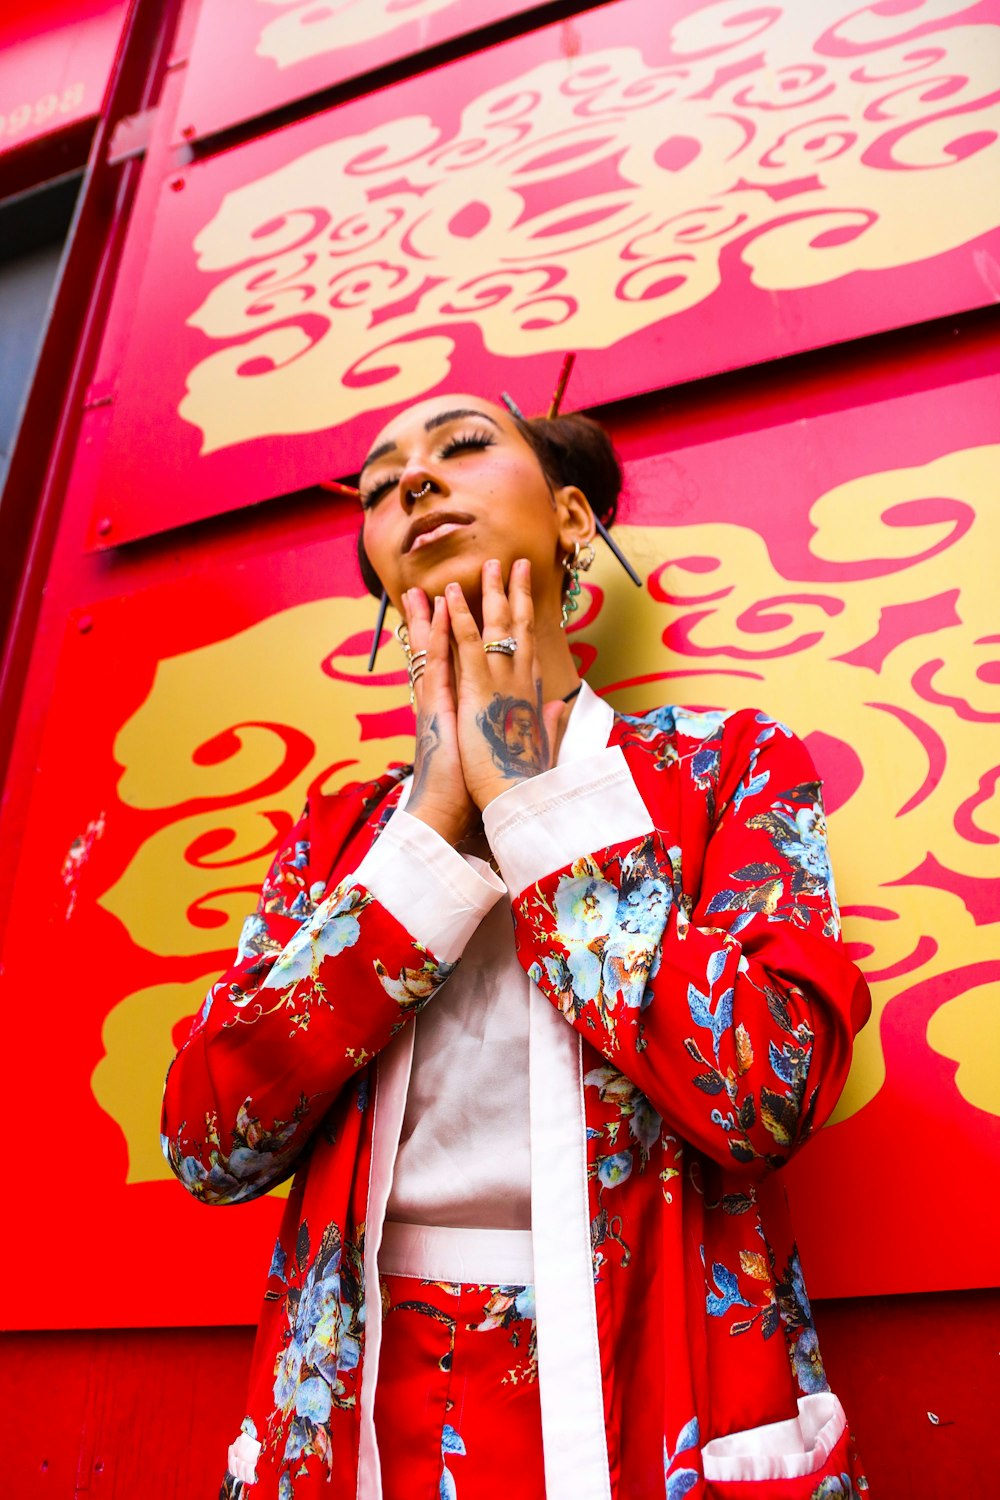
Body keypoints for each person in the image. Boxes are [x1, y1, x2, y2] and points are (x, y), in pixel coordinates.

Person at [161, 393, 872, 1500]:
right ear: (380, 577)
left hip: (659, 1382)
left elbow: (759, 1094)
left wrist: (531, 799)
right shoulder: (334, 838)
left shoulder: (730, 768)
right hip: (361, 1399)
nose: (415, 480)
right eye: (385, 476)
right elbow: (210, 1144)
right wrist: (429, 836)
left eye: (460, 445)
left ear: (573, 521)